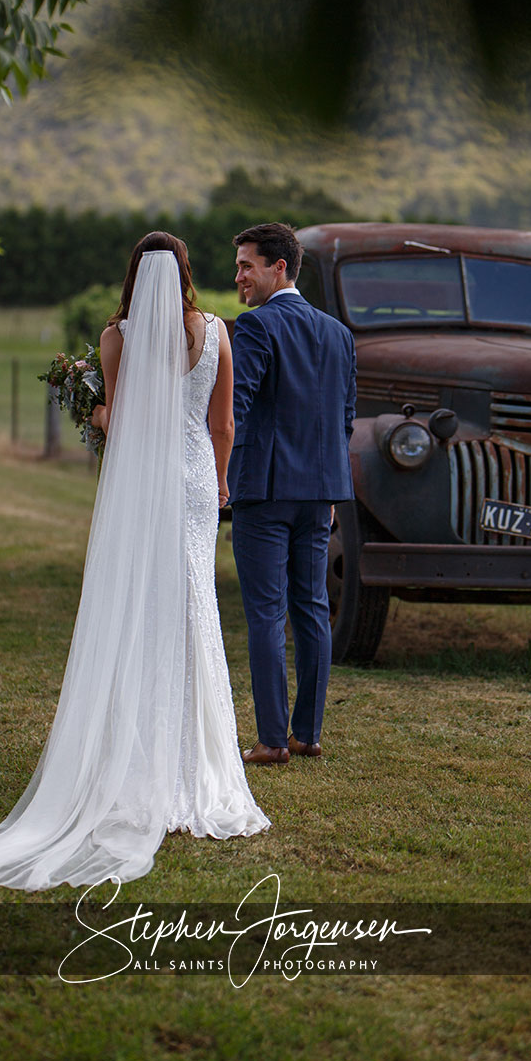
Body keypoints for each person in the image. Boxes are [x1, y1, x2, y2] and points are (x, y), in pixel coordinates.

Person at [0, 233, 269, 891]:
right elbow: (222, 426)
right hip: (195, 480)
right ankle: (197, 767)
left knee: (142, 604)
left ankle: (133, 760)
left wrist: (92, 406)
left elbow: (126, 420)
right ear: (186, 274)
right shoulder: (219, 332)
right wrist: (221, 481)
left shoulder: (117, 338)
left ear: (134, 276)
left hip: (145, 482)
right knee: (193, 604)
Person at [229, 222, 357, 766]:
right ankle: (307, 734)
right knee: (312, 608)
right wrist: (327, 484)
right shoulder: (338, 333)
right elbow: (345, 419)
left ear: (279, 267)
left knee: (266, 613)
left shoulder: (256, 326)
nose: (239, 276)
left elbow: (234, 409)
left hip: (264, 492)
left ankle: (272, 740)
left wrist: (214, 471)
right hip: (320, 494)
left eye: (247, 265)